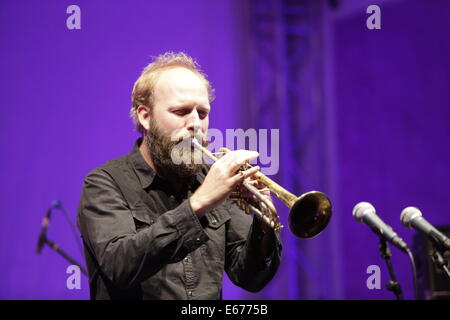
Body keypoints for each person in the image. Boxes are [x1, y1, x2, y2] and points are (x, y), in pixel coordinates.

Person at [77, 52, 282, 300]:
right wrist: (199, 204)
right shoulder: (105, 183)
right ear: (145, 116)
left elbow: (250, 278)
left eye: (203, 113)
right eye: (181, 111)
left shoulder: (216, 179)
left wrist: (263, 222)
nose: (196, 123)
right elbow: (120, 266)